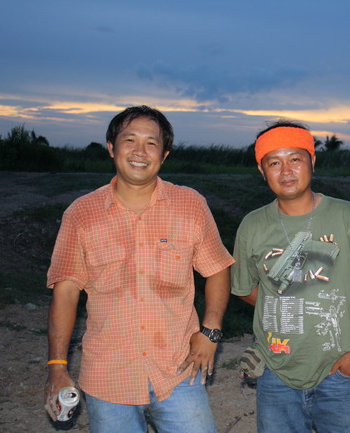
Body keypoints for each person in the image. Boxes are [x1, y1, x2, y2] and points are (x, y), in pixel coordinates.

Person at [44, 106, 234, 433]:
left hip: (178, 371)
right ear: (111, 147)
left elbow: (217, 268)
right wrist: (57, 367)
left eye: (151, 143)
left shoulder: (190, 205)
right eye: (129, 140)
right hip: (108, 376)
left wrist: (211, 331)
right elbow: (66, 292)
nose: (139, 152)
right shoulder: (81, 214)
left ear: (164, 154)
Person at [231, 120, 350, 432]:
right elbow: (244, 288)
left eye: (295, 159)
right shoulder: (252, 225)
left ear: (312, 161)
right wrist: (287, 302)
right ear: (262, 171)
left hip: (339, 370)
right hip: (275, 371)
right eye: (274, 162)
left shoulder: (346, 215)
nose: (286, 170)